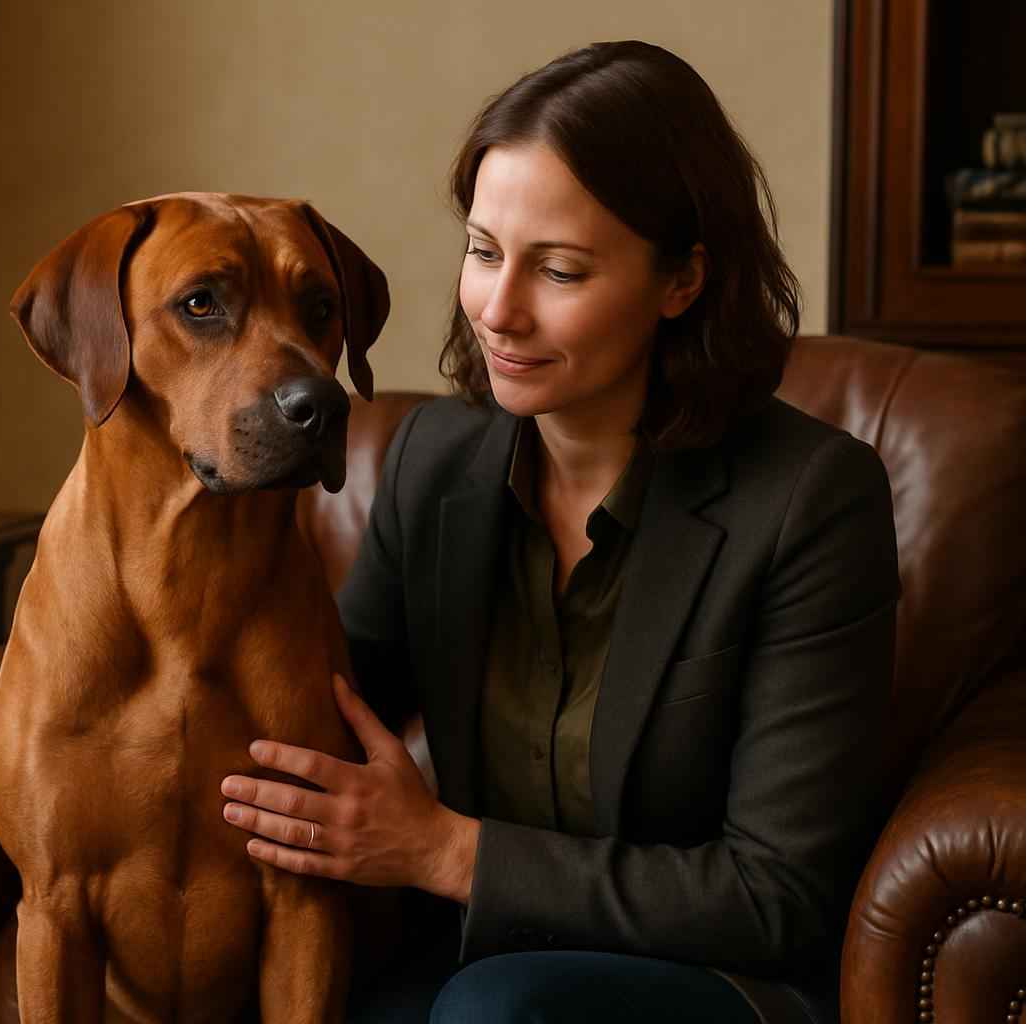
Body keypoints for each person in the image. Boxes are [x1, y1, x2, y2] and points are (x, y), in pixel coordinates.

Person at [217, 40, 900, 1024]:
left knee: (496, 1010)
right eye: (484, 251)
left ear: (682, 281)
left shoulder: (813, 499)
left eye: (561, 270)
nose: (499, 311)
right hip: (473, 959)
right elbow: (321, 704)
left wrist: (447, 851)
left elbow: (776, 896)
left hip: (716, 978)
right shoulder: (433, 460)